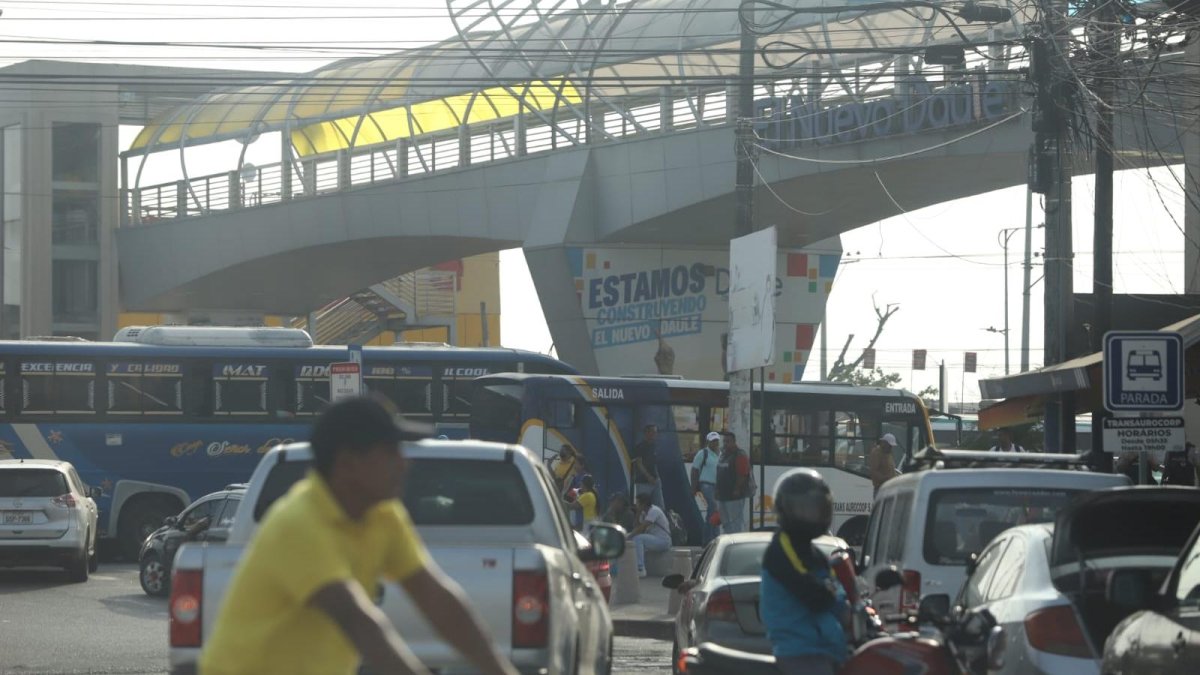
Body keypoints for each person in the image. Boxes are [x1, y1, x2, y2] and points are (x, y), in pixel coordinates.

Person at [199, 396, 519, 675]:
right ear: (348, 463)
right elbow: (359, 622)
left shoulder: (382, 514)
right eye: (391, 451)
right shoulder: (299, 522)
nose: (404, 464)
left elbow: (438, 600)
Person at [760, 469, 850, 675]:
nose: (810, 515)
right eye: (802, 509)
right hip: (800, 651)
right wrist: (832, 597)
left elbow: (837, 593)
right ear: (785, 509)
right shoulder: (782, 549)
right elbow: (816, 596)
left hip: (824, 647)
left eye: (815, 508)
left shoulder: (814, 552)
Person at [629, 491, 672, 578]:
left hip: (663, 541)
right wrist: (637, 513)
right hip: (654, 539)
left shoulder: (654, 511)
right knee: (635, 538)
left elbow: (642, 527)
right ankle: (633, 567)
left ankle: (640, 568)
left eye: (637, 503)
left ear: (643, 503)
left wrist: (628, 537)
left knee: (638, 539)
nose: (635, 504)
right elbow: (637, 527)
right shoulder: (643, 513)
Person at [715, 431, 751, 534]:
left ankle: (736, 544)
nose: (725, 444)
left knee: (735, 523)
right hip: (722, 496)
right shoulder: (723, 455)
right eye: (724, 441)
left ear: (734, 442)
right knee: (726, 524)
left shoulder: (740, 455)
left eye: (728, 441)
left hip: (734, 497)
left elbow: (742, 474)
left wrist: (737, 489)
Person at [691, 432, 721, 544]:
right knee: (713, 506)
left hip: (717, 486)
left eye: (716, 440)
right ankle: (712, 537)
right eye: (713, 441)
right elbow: (694, 470)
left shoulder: (721, 454)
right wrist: (693, 488)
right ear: (708, 442)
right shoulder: (703, 453)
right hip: (706, 484)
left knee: (713, 512)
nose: (715, 443)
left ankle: (710, 539)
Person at [632, 424, 664, 510]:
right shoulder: (640, 447)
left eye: (656, 432)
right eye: (653, 432)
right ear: (647, 433)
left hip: (655, 481)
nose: (655, 434)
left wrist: (657, 478)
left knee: (659, 507)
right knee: (642, 507)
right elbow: (639, 463)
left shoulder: (655, 446)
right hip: (643, 481)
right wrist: (648, 476)